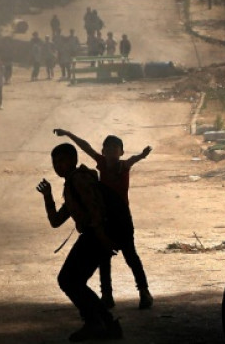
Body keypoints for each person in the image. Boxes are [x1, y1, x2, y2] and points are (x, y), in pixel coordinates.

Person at [54, 129, 153, 310]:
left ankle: (144, 291)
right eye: (108, 148)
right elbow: (85, 146)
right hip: (104, 217)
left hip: (122, 217)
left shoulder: (124, 166)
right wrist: (69, 134)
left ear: (121, 152)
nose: (111, 152)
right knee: (103, 258)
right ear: (103, 151)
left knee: (130, 255)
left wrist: (142, 155)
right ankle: (107, 295)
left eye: (115, 148)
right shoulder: (100, 163)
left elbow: (135, 159)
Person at [36, 143, 125, 342]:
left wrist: (102, 237)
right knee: (73, 281)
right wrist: (48, 196)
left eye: (62, 161)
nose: (58, 166)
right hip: (94, 235)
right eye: (55, 162)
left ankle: (96, 323)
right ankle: (106, 324)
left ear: (73, 160)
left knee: (68, 280)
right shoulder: (71, 184)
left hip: (95, 235)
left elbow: (95, 209)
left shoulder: (79, 180)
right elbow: (56, 221)